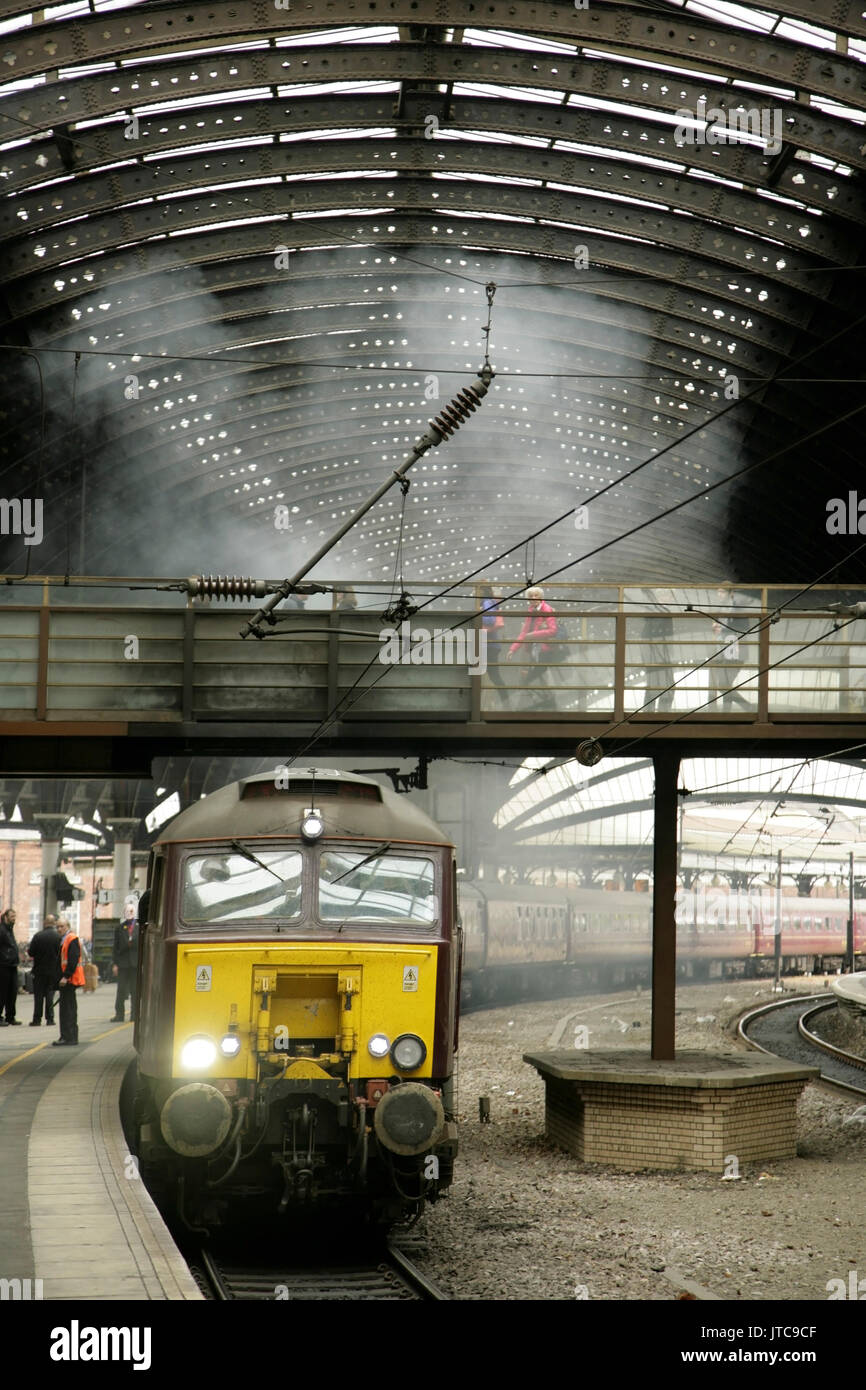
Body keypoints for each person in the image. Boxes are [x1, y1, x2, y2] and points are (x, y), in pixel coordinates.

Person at [507, 586, 558, 705]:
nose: (534, 598)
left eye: (536, 595)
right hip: (535, 650)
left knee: (541, 675)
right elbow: (524, 633)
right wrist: (512, 649)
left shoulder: (547, 609)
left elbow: (553, 630)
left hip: (545, 649)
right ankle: (549, 701)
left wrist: (533, 635)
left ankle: (551, 701)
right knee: (542, 677)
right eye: (531, 596)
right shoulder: (531, 611)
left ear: (541, 597)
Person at [709, 583, 752, 712]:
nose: (719, 595)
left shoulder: (739, 609)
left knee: (723, 685)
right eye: (718, 592)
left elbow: (744, 628)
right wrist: (715, 628)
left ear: (730, 593)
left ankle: (746, 707)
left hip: (735, 649)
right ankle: (728, 713)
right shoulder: (719, 609)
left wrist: (722, 628)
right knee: (725, 684)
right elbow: (716, 628)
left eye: (722, 592)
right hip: (722, 650)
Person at [53, 917, 84, 1046]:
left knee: (68, 1009)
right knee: (66, 1008)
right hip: (67, 980)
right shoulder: (64, 940)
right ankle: (66, 1036)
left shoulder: (71, 939)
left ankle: (69, 1037)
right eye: (58, 927)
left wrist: (66, 976)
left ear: (68, 926)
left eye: (62, 926)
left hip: (70, 980)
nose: (59, 929)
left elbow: (73, 959)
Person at [28, 914, 60, 1026]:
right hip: (53, 971)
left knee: (39, 996)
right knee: (50, 994)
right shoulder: (58, 937)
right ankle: (50, 1019)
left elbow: (31, 952)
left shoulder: (38, 936)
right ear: (54, 923)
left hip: (39, 970)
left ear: (44, 923)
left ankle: (37, 1019)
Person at [111, 905, 139, 1022]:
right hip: (123, 963)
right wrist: (115, 964)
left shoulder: (139, 927)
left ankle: (134, 1015)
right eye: (128, 911)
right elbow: (115, 947)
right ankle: (119, 1014)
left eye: (131, 911)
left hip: (135, 963)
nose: (129, 913)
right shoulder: (120, 928)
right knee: (121, 990)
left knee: (134, 990)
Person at [478, 584, 507, 691]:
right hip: (489, 645)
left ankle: (506, 701)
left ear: (481, 591)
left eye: (475, 590)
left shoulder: (486, 602)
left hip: (489, 645)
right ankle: (505, 700)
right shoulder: (487, 602)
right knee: (493, 676)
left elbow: (490, 621)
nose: (473, 593)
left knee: (494, 676)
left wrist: (477, 614)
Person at [0, 908, 22, 1026]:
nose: (14, 919)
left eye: (15, 916)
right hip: (3, 966)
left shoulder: (9, 930)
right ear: (6, 917)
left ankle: (10, 1016)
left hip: (12, 965)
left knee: (12, 993)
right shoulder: (2, 930)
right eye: (12, 916)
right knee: (2, 992)